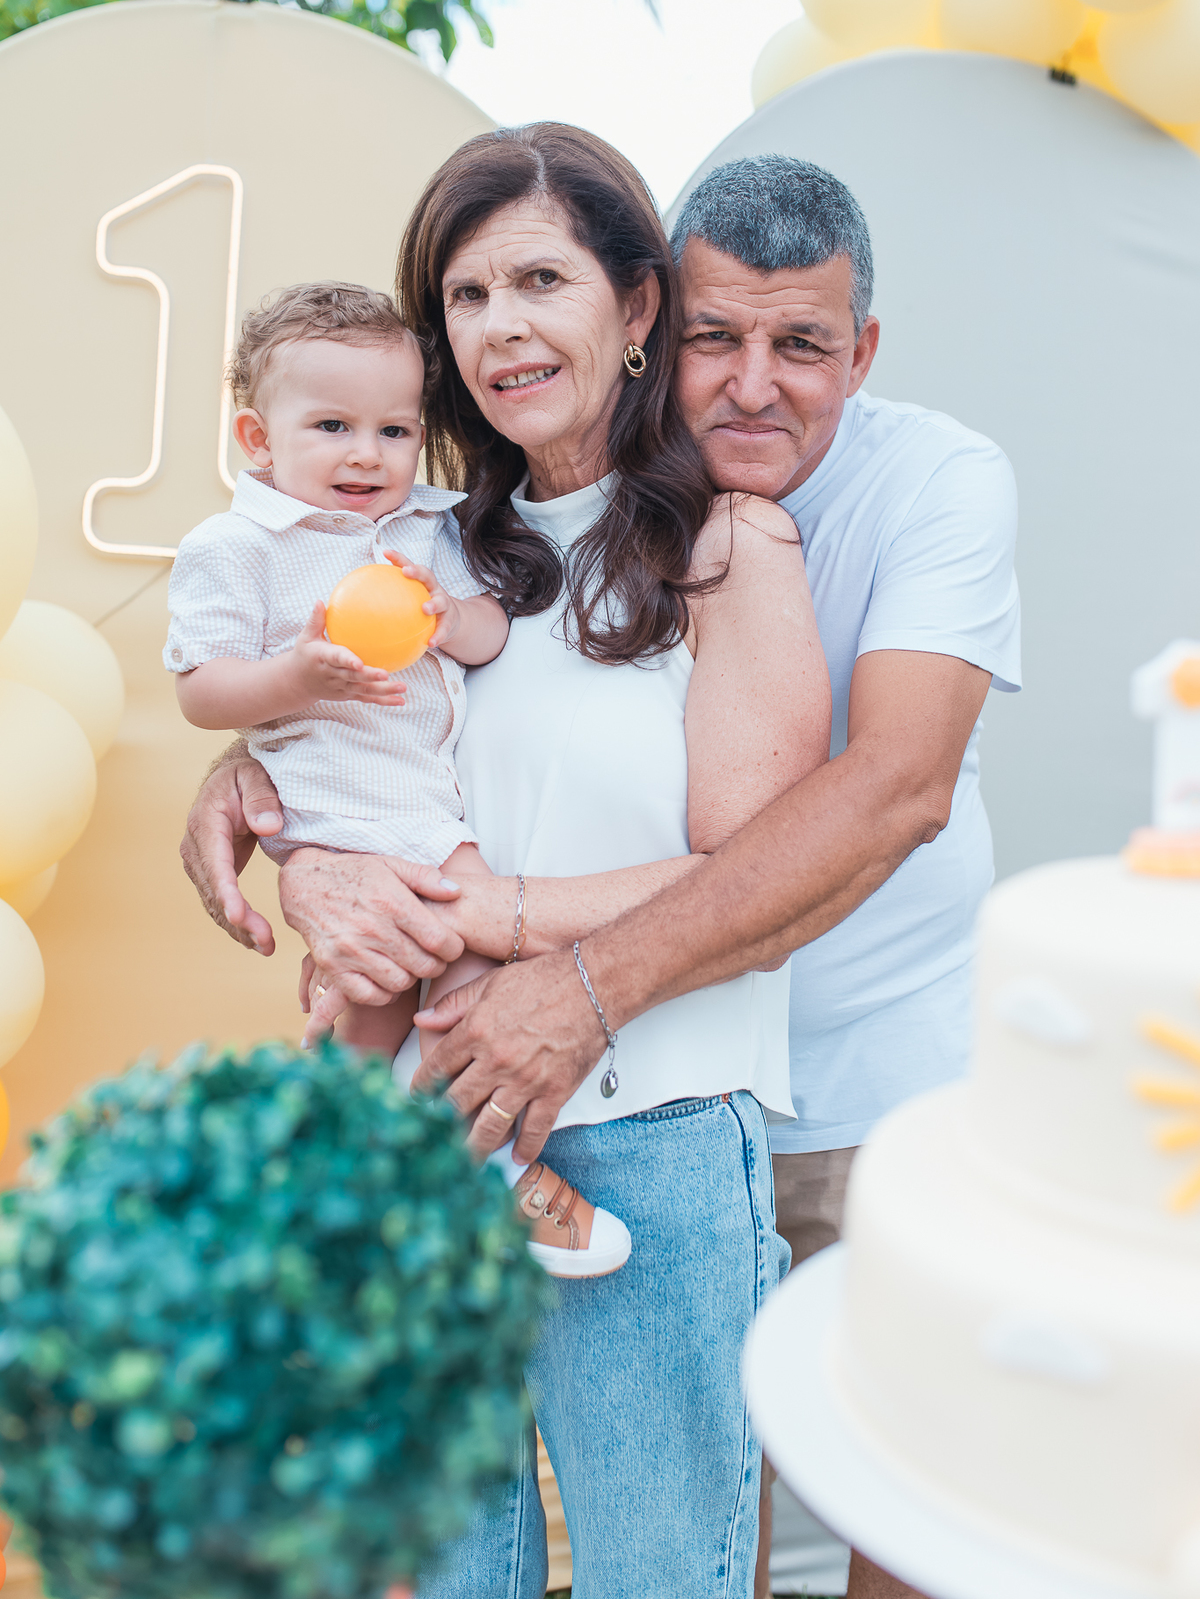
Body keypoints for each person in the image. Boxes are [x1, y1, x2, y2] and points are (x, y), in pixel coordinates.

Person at [184, 153, 1018, 1599]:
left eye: (540, 280)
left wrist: (495, 920)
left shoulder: (733, 542)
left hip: (654, 1134)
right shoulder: (430, 551)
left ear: (636, 311)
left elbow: (760, 872)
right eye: (467, 294)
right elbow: (336, 740)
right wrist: (273, 814)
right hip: (437, 1136)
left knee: (678, 1572)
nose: (501, 323)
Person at [164, 281, 630, 1279]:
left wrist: (447, 618)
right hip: (333, 805)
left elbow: (490, 634)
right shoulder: (237, 547)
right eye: (332, 427)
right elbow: (201, 689)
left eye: (394, 430)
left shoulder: (427, 530)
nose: (367, 455)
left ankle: (327, 1168)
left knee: (390, 1004)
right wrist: (296, 676)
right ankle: (487, 1171)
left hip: (420, 800)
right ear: (258, 437)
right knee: (453, 977)